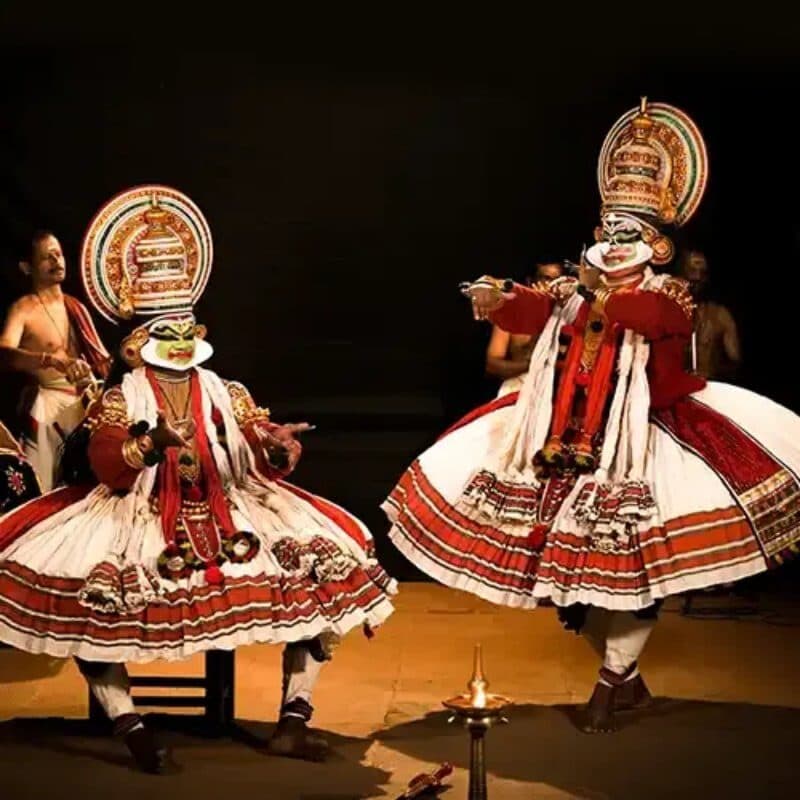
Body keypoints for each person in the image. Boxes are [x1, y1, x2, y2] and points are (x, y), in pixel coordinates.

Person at [382, 99, 800, 734]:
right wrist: (500, 298)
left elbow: (652, 321)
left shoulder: (667, 294)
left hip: (646, 440)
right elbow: (529, 314)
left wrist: (592, 293)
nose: (610, 241)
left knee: (632, 569)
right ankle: (626, 678)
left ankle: (608, 689)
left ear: (656, 245)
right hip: (564, 433)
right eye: (605, 228)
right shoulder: (574, 291)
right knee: (573, 579)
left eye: (625, 232)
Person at [0, 186, 396, 772]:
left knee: (326, 571)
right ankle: (131, 728)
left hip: (227, 508)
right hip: (137, 510)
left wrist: (278, 446)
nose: (182, 340)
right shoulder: (123, 394)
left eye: (188, 328)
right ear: (146, 338)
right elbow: (108, 462)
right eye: (170, 331)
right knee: (86, 602)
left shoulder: (223, 389)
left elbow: (254, 446)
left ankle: (293, 718)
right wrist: (149, 443)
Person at [0, 231, 110, 491]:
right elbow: (3, 354)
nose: (57, 261)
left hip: (87, 405)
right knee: (43, 490)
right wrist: (48, 360)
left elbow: (101, 361)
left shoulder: (76, 307)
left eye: (58, 254)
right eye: (47, 257)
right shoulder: (23, 309)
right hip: (49, 408)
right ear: (27, 267)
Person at [485, 261, 563, 396]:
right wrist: (532, 365)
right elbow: (493, 365)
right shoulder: (511, 316)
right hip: (517, 388)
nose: (552, 286)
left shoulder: (569, 317)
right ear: (530, 282)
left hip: (554, 390)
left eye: (557, 281)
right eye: (547, 279)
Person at [678, 249, 742, 380]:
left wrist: (710, 372)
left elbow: (735, 361)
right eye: (692, 270)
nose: (697, 277)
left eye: (703, 273)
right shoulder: (664, 312)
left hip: (709, 389)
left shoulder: (720, 315)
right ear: (680, 272)